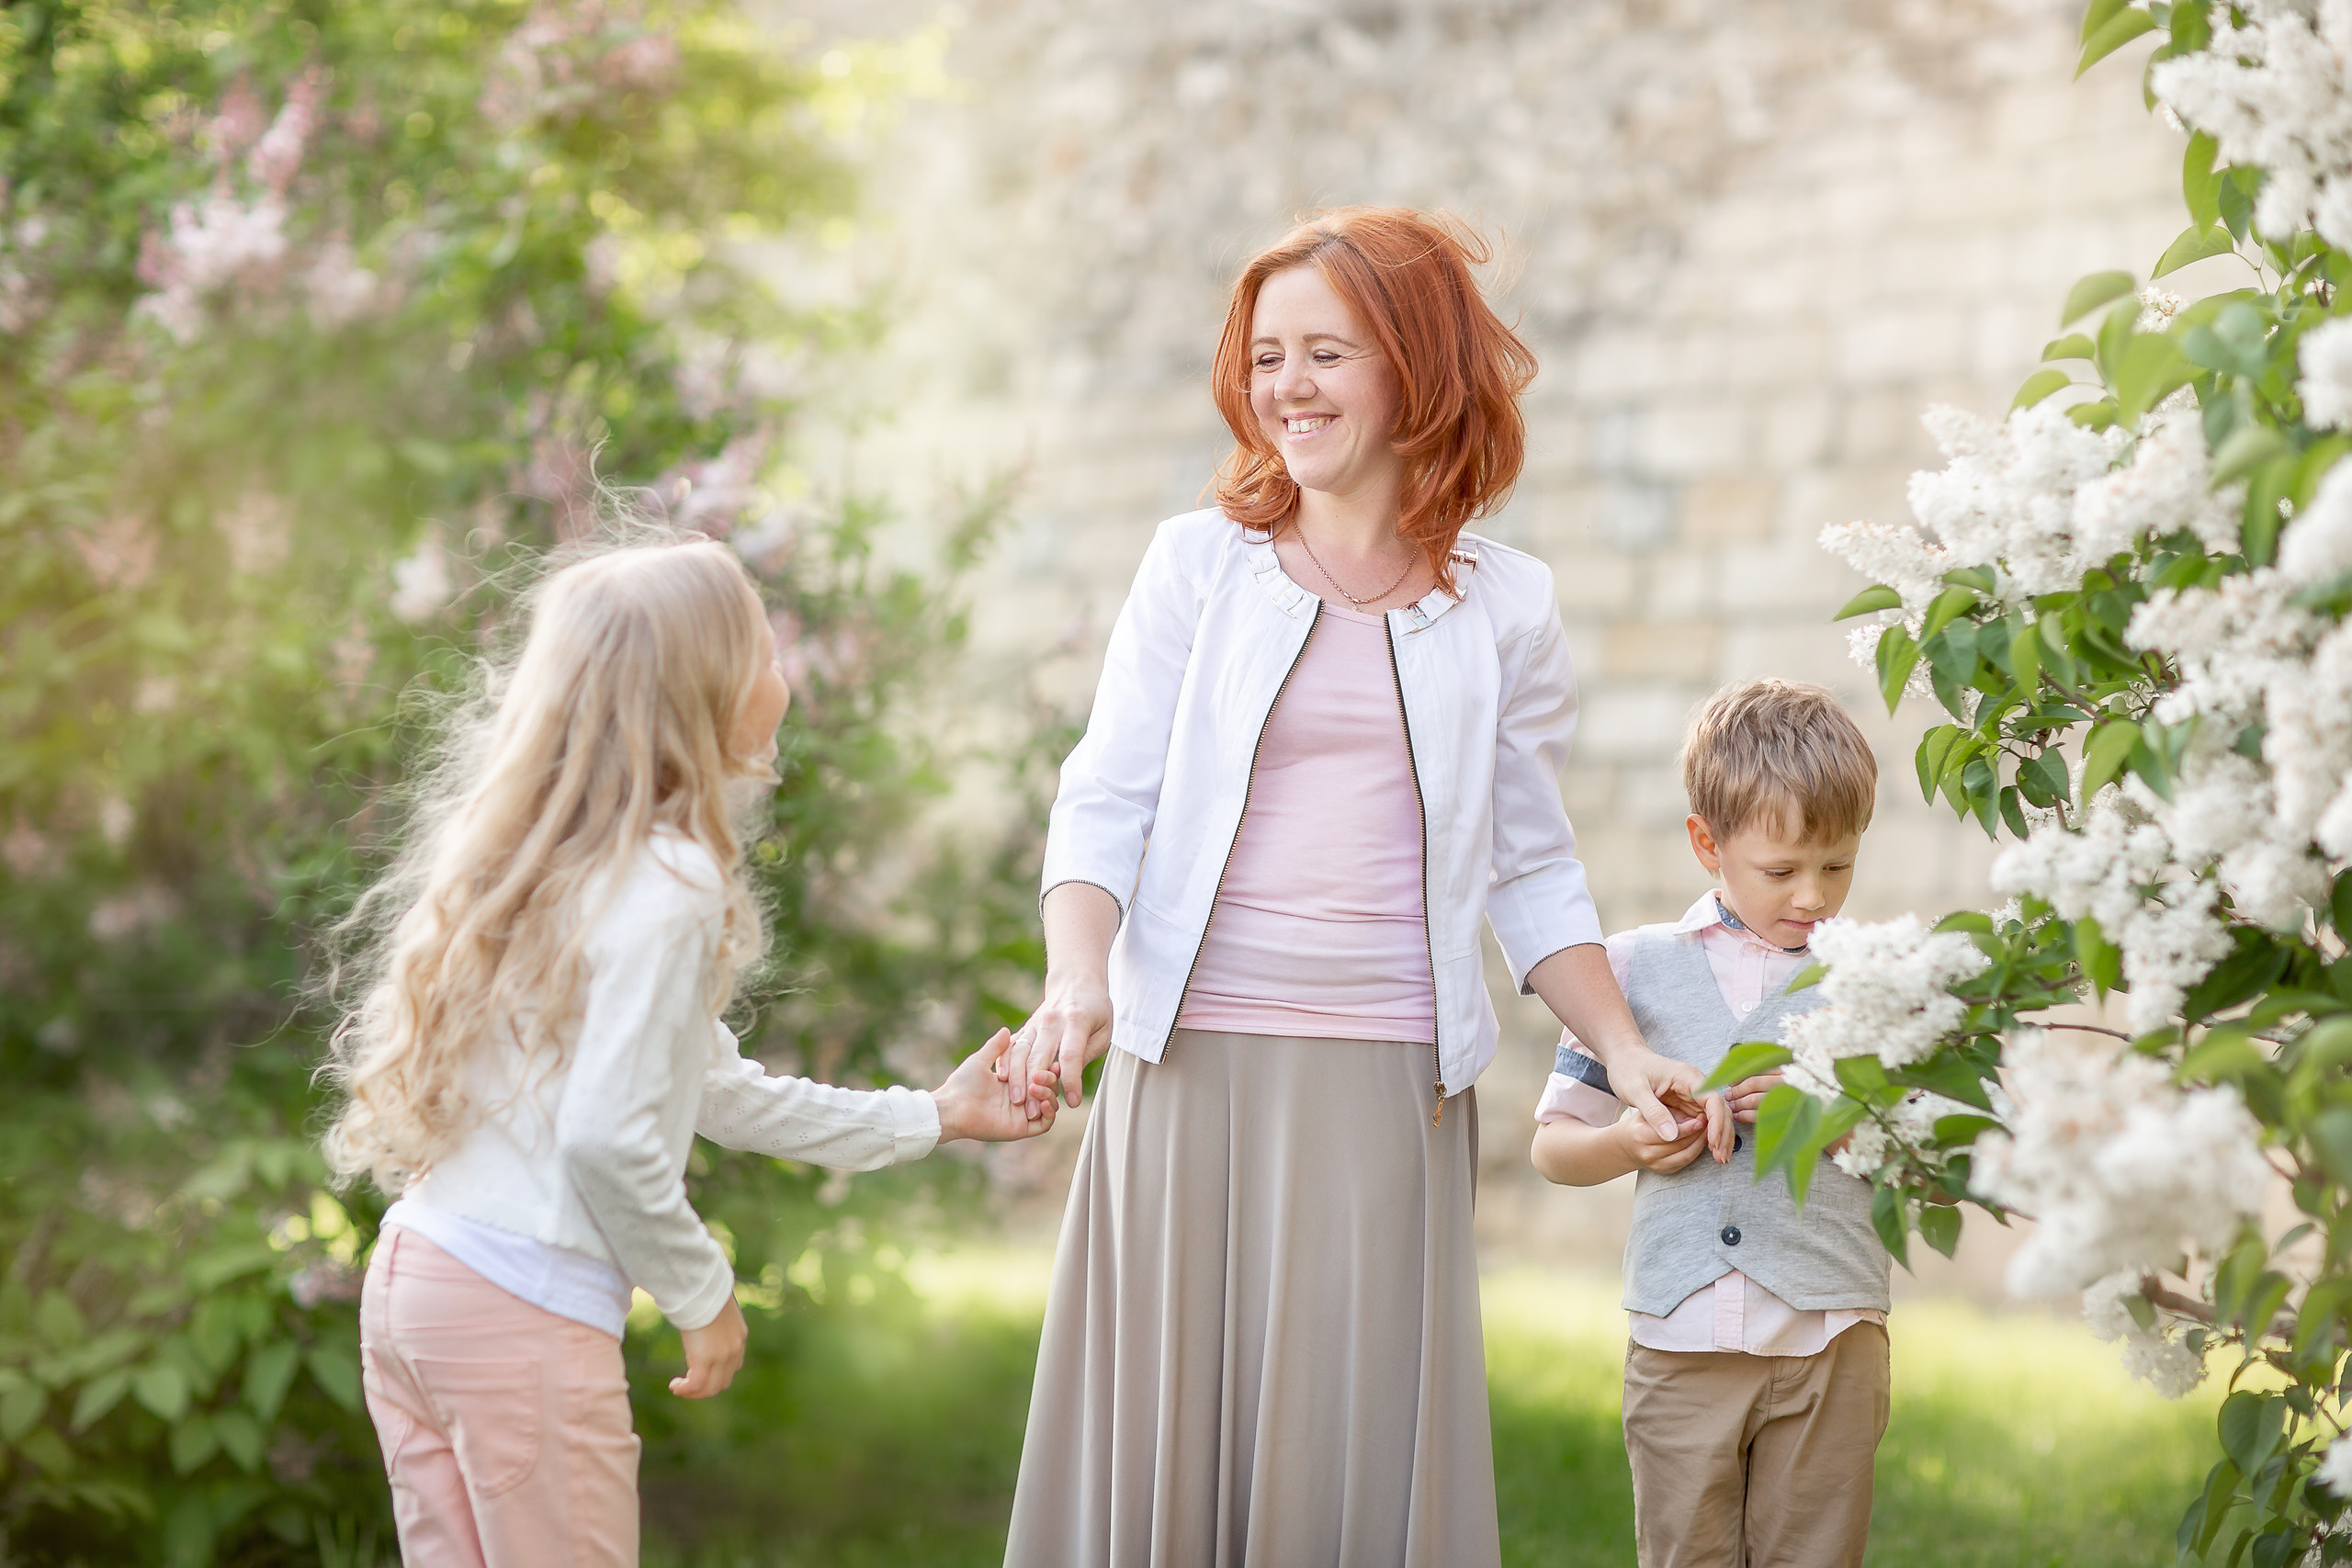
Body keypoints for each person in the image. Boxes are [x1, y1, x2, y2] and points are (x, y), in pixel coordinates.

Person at [995, 207, 1710, 1567]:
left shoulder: (1508, 605)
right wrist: (1077, 974)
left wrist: (1624, 1051)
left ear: (1417, 369)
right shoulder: (1197, 563)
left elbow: (1530, 859)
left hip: (1385, 1072)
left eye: (1328, 351)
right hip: (1187, 1064)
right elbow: (1107, 798)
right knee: (1170, 1451)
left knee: (1347, 1445)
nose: (1289, 387)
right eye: (1268, 357)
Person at [319, 537, 1058, 1567]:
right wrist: (702, 1293)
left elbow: (710, 1089)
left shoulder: (562, 867)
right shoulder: (668, 881)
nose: (781, 675)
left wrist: (931, 1114)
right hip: (517, 1315)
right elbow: (605, 1143)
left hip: (422, 1282)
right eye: (763, 652)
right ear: (705, 696)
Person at [1530, 678, 1893, 1568]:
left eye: (1838, 866)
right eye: (1781, 870)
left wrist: (1835, 1118)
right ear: (1707, 843)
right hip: (1680, 1344)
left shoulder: (1879, 979)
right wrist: (1626, 1143)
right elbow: (1552, 1145)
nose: (1814, 896)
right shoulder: (1629, 972)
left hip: (1829, 1343)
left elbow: (1929, 1148)